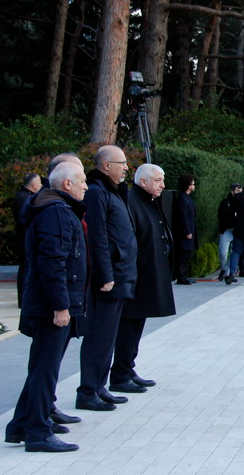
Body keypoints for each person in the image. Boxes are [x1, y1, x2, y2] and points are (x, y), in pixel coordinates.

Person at [5, 162, 87, 452]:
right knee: (45, 370)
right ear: (67, 184)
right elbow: (53, 262)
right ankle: (38, 433)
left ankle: (20, 425)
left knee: (41, 367)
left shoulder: (52, 209)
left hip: (46, 303)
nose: (85, 187)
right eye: (82, 182)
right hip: (50, 306)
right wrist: (61, 306)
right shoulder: (56, 211)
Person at [77, 145, 138, 412]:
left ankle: (99, 387)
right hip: (110, 278)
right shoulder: (97, 192)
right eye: (121, 162)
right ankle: (88, 390)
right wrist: (106, 274)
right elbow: (97, 236)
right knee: (99, 335)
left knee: (109, 336)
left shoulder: (113, 191)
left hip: (121, 273)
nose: (126, 167)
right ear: (105, 166)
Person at [110, 164, 176, 394]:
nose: (162, 184)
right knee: (128, 325)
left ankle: (127, 368)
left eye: (162, 180)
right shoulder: (131, 201)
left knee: (136, 325)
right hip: (136, 277)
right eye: (158, 180)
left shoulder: (147, 201)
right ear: (143, 181)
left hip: (147, 275)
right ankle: (119, 374)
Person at [14, 172, 43, 308]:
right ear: (33, 185)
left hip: (24, 238)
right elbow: (25, 219)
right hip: (24, 239)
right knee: (25, 268)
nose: (41, 185)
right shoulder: (24, 198)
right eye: (39, 183)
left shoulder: (24, 196)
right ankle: (23, 298)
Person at [174, 174, 197, 285]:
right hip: (185, 234)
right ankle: (181, 277)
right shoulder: (183, 198)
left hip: (188, 232)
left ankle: (185, 275)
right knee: (183, 256)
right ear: (188, 186)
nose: (194, 186)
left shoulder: (186, 198)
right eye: (192, 184)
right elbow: (183, 216)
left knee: (186, 255)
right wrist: (187, 231)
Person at [216, 183, 241, 281]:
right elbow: (222, 216)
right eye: (237, 191)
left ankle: (229, 273)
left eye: (240, 191)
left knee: (234, 253)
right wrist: (231, 225)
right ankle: (224, 269)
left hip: (237, 231)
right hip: (226, 230)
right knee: (223, 253)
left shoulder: (242, 203)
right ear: (232, 191)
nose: (240, 193)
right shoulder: (225, 203)